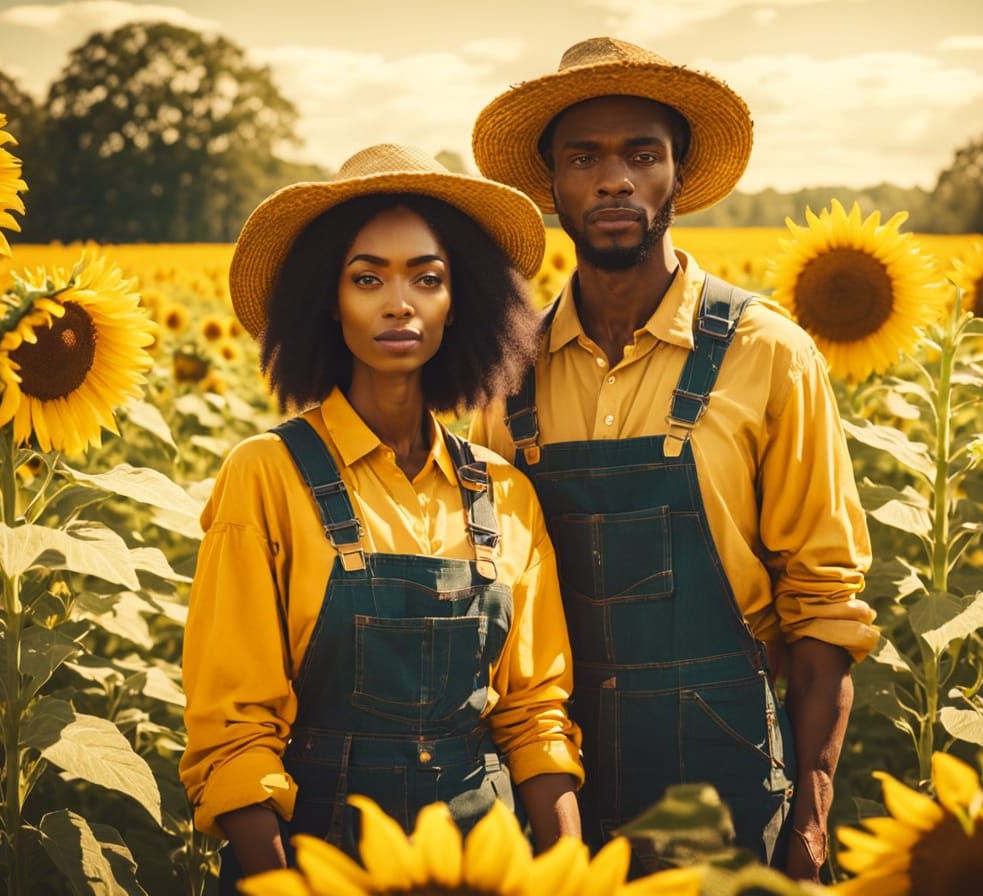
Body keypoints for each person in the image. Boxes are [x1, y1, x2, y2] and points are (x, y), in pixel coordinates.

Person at [469, 38, 878, 881]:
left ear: (678, 177)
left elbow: (823, 606)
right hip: (553, 791)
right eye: (584, 157)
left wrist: (811, 817)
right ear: (550, 185)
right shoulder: (505, 372)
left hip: (722, 788)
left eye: (641, 154)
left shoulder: (770, 353)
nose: (613, 179)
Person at [179, 144, 583, 892]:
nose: (400, 303)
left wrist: (568, 877)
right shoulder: (264, 475)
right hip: (314, 863)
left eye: (427, 278)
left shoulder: (505, 492)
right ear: (328, 300)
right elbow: (234, 735)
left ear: (460, 300)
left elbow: (535, 718)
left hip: (483, 867)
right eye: (368, 278)